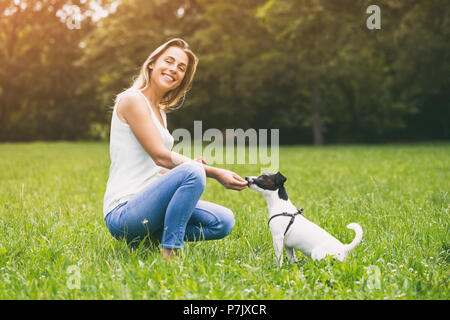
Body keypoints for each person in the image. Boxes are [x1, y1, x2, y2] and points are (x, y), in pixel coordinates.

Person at [103, 38, 248, 259]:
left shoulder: (160, 112)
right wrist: (212, 172)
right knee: (192, 171)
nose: (174, 69)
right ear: (152, 63)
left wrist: (185, 171)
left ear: (183, 79)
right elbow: (160, 157)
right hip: (124, 212)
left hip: (149, 207)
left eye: (181, 68)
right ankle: (170, 251)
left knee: (223, 221)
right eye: (168, 61)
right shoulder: (132, 100)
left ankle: (148, 239)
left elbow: (157, 169)